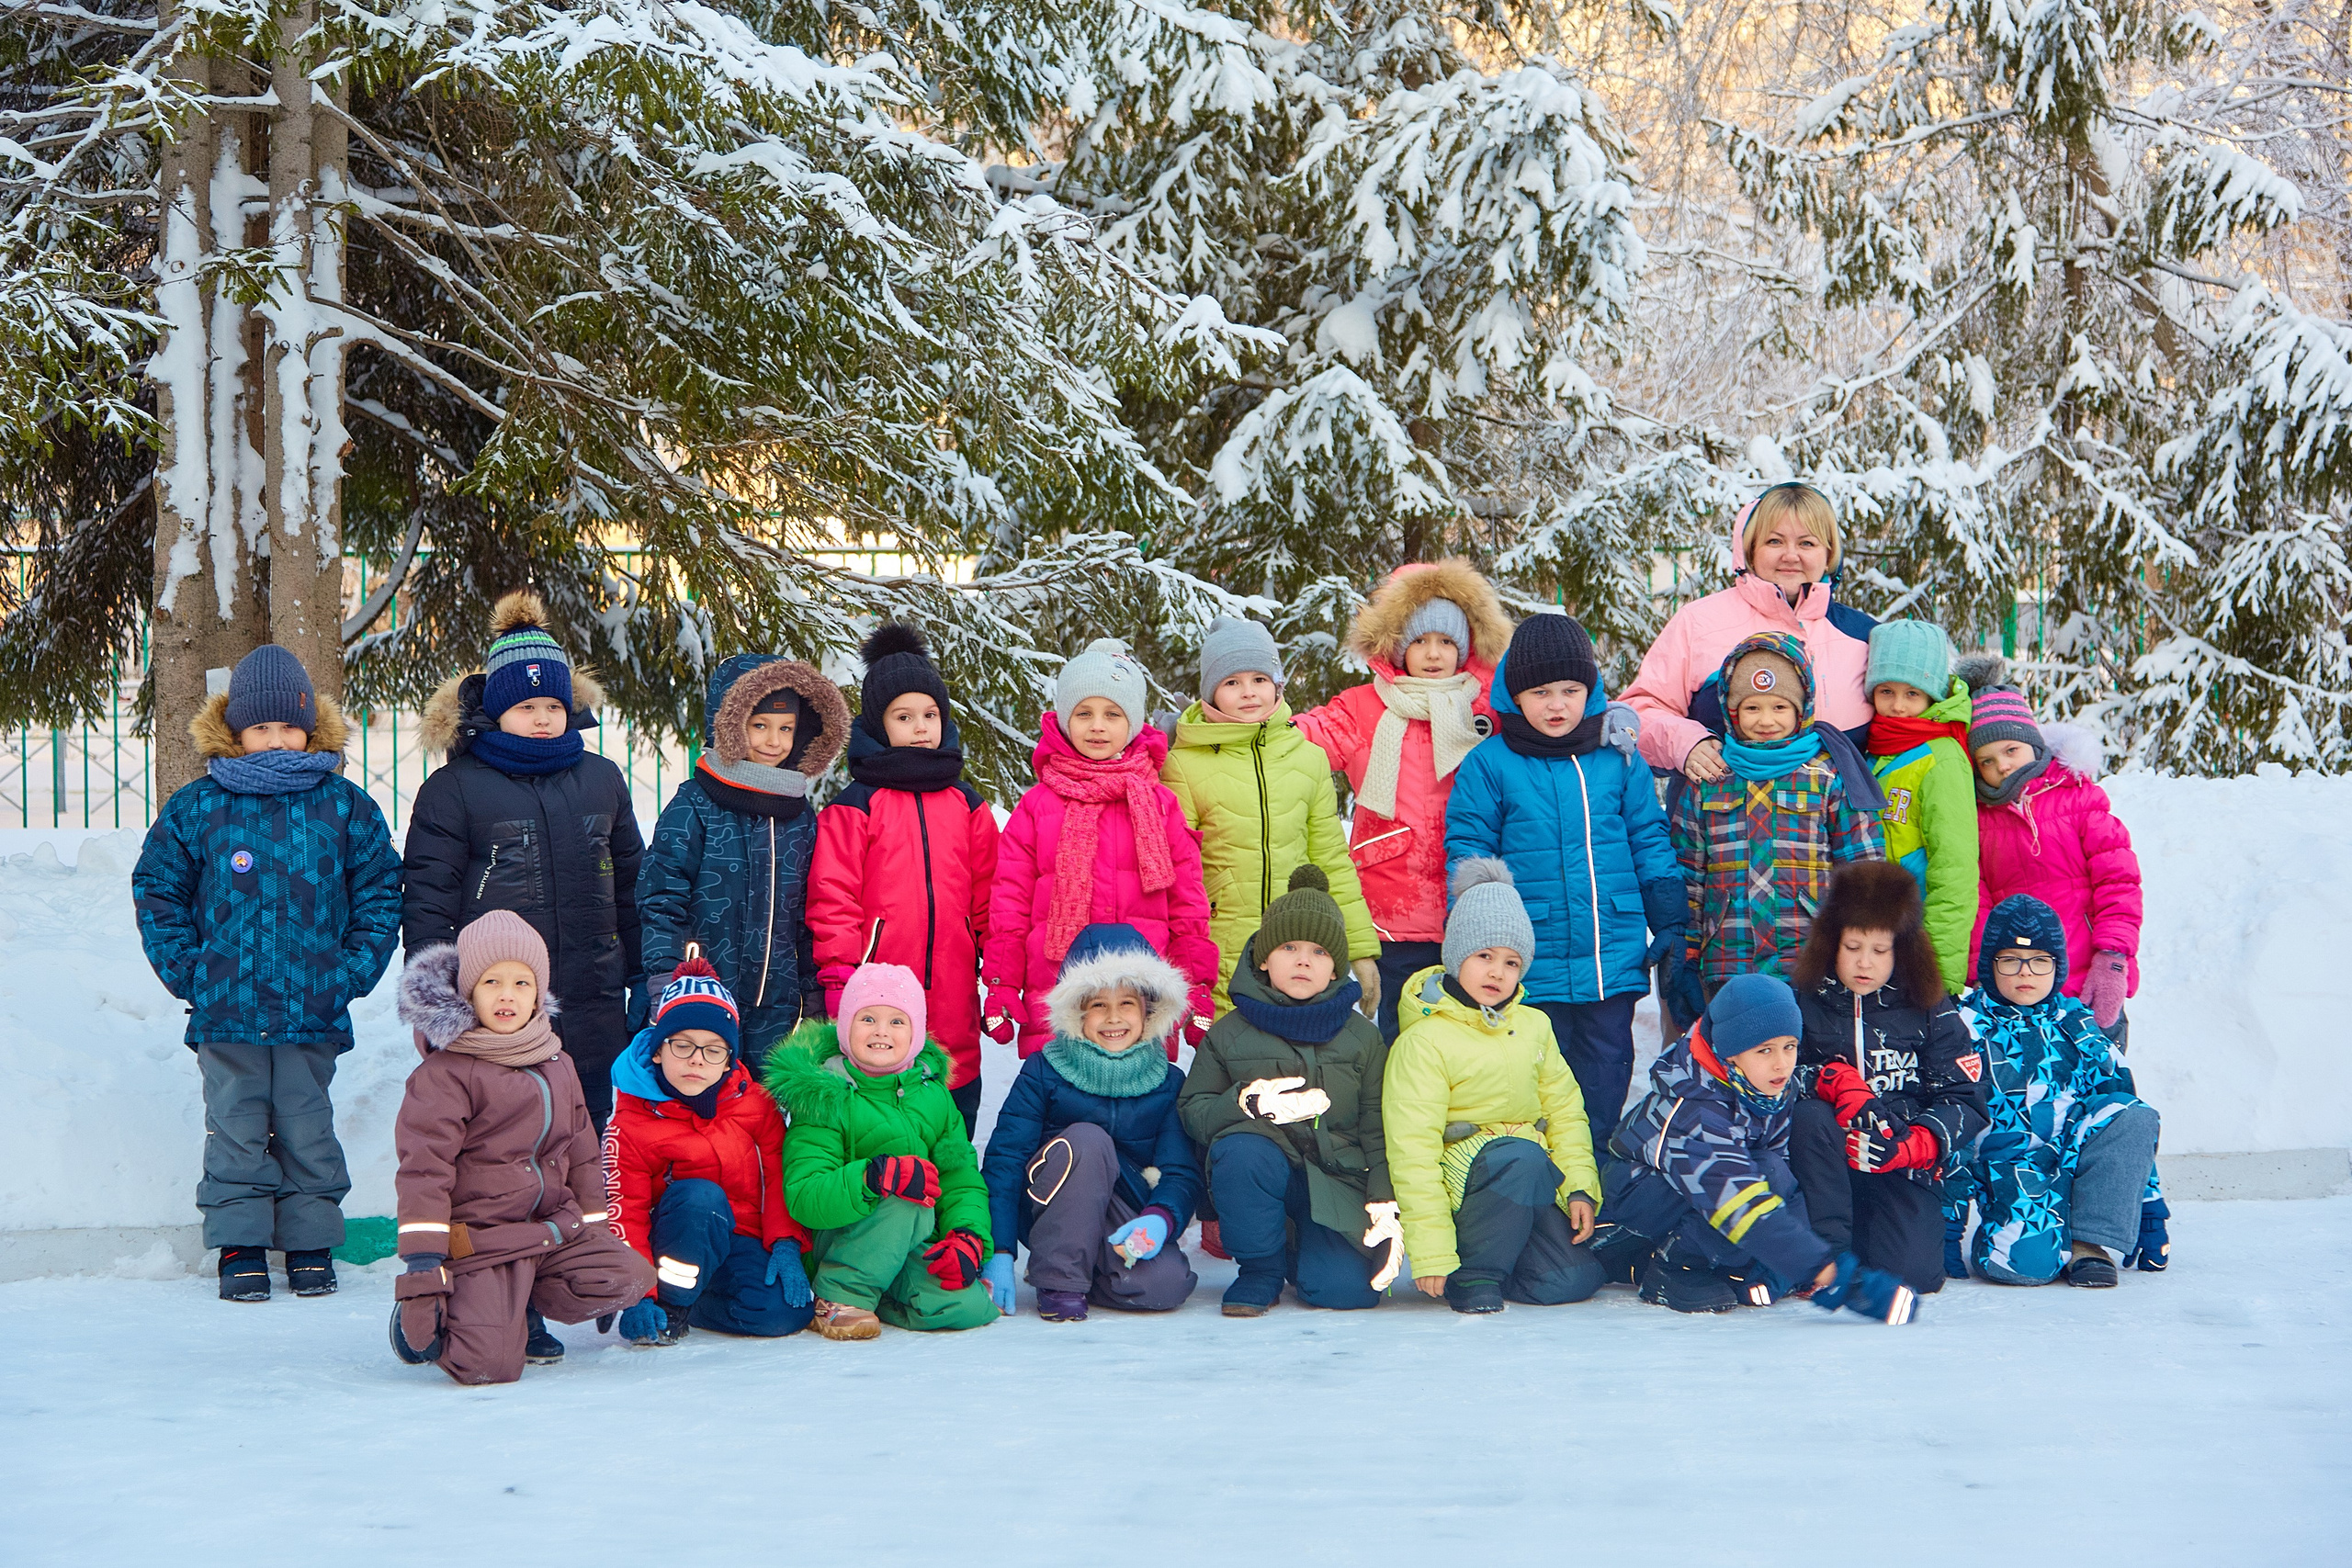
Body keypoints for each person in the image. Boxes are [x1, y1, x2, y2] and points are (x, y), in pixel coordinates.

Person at [132, 644, 403, 1303]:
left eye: (289, 727)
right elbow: (159, 887)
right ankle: (241, 1243)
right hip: (228, 1006)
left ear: (310, 728)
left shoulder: (344, 806)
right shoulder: (200, 806)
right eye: (262, 728)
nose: (276, 740)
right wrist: (191, 971)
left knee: (308, 1122)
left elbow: (379, 891)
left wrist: (351, 969)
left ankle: (310, 1241)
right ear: (236, 730)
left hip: (314, 1003)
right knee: (236, 1123)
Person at [405, 591, 645, 1127]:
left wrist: (648, 977)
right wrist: (434, 1001)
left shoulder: (601, 778)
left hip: (596, 995)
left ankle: (596, 1212)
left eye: (554, 707)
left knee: (596, 1120)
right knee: (508, 1127)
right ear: (496, 712)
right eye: (526, 707)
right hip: (501, 1002)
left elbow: (632, 882)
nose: (542, 719)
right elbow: (428, 896)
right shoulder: (455, 789)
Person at [390, 911, 655, 1383]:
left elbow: (582, 1152)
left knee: (630, 1275)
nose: (507, 994)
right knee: (487, 1367)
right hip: (482, 1243)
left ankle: (522, 1299)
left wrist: (596, 1232)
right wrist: (422, 1273)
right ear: (469, 990)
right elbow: (424, 1171)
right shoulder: (445, 1074)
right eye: (491, 981)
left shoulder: (556, 1060)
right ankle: (467, 1306)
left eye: (522, 982)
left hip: (550, 1232)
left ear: (539, 993)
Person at [1443, 612, 1682, 1135]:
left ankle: (1592, 1179)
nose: (1557, 705)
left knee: (1605, 1074)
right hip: (1531, 957)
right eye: (1541, 692)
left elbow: (1647, 836)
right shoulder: (1492, 763)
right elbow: (1469, 848)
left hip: (1608, 955)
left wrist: (1669, 914)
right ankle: (1541, 1183)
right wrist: (1477, 931)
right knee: (1533, 1078)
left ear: (1590, 690)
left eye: (1570, 690)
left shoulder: (1616, 757)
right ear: (1516, 695)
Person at [1601, 974, 1919, 1323]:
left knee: (1769, 1170)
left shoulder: (1769, 1087)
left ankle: (1710, 1259)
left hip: (1704, 1195)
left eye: (1789, 1046)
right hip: (1631, 1212)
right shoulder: (1695, 1113)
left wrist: (1786, 1271)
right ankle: (1671, 1267)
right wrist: (1839, 1278)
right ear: (1731, 1055)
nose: (1781, 1063)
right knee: (1751, 1184)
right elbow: (1740, 1203)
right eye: (1764, 1050)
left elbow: (1781, 1180)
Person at [1291, 559, 1513, 1041]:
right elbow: (1306, 737)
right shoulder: (1362, 707)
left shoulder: (1492, 706)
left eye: (1447, 641)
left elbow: (1549, 720)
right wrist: (1250, 724)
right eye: (1418, 641)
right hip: (1390, 904)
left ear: (1468, 645)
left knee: (1471, 1036)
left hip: (1471, 902)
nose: (1433, 654)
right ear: (1395, 644)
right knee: (1400, 1033)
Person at [1383, 860, 1605, 1314]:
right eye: (1484, 956)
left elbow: (1565, 1112)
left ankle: (1503, 1259)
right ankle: (1472, 1273)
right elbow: (1413, 1149)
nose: (1497, 973)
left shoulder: (1535, 1026)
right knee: (1520, 1156)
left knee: (1571, 1279)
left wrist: (1580, 1189)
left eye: (1511, 962)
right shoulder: (1423, 1040)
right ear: (1456, 953)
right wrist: (1434, 1250)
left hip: (1525, 1175)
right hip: (1463, 1184)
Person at [983, 637, 1217, 1057]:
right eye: (1084, 713)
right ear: (1063, 720)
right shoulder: (1038, 806)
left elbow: (1188, 904)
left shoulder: (1160, 804)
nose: (1097, 726)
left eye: (1113, 714)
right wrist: (1000, 982)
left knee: (1139, 1113)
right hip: (1059, 991)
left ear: (1132, 723)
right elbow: (1009, 905)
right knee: (1059, 1114)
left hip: (1140, 1000)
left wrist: (1197, 984)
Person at [807, 622, 999, 1134]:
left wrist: (996, 968)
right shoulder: (857, 806)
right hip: (877, 990)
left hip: (954, 986)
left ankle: (950, 1199)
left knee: (952, 1098)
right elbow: (833, 897)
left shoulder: (967, 805)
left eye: (930, 715)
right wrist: (840, 974)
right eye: (904, 716)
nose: (921, 727)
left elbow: (989, 898)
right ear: (878, 725)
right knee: (882, 1108)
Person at [1180, 867, 1393, 1316]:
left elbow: (1378, 1126)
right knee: (1241, 1152)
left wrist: (1384, 1200)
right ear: (1262, 958)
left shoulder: (1362, 1038)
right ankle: (1261, 1267)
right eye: (1289, 947)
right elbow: (1193, 1112)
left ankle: (1305, 1247)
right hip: (1258, 1171)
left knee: (1345, 1292)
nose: (1303, 960)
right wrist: (1246, 1102)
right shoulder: (1230, 1033)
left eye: (1318, 951)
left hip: (1336, 1179)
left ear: (1336, 965)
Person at [636, 653, 849, 1071]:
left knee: (767, 1114)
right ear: (731, 725)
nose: (774, 741)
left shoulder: (799, 813)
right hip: (703, 992)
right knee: (707, 1105)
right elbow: (660, 899)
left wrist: (815, 991)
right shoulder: (696, 804)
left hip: (779, 1003)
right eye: (760, 726)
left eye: (786, 729)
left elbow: (810, 912)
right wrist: (666, 976)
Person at [763, 963, 1000, 1338]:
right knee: (909, 1196)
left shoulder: (933, 1095)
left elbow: (960, 1177)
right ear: (846, 1027)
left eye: (897, 1022)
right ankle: (837, 1295)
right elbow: (804, 1195)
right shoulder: (825, 1095)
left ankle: (875, 1294)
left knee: (968, 1307)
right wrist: (872, 1177)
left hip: (908, 1239)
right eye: (868, 1018)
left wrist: (968, 1236)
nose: (881, 1032)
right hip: (842, 1240)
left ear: (916, 1031)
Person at [980, 924, 1203, 1322]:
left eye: (1127, 1004)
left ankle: (1083, 1270)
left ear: (1149, 1010)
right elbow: (1006, 1159)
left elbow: (1180, 1171)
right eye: (1098, 1004)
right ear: (1076, 1011)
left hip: (1122, 1211)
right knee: (1088, 1139)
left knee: (1165, 1286)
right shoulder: (1044, 1071)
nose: (1113, 1018)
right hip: (1054, 1204)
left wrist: (1161, 1217)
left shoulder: (1168, 1082)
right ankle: (1059, 1281)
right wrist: (998, 1249)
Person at [1786, 861, 1988, 1295]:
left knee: (1913, 1277)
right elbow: (1768, 1079)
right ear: (1831, 944)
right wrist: (1829, 1079)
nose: (1864, 962)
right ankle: (1827, 1257)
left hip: (1897, 1160)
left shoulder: (1929, 1006)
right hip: (1822, 1166)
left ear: (1902, 948)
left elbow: (1966, 1097)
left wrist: (1916, 1145)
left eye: (1880, 950)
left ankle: (1865, 1240)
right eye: (1853, 946)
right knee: (1810, 1117)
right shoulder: (1802, 1002)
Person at [1162, 615, 1378, 1020]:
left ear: (1277, 684)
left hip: (1298, 949)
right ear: (1211, 693)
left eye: (1259, 679)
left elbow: (1331, 860)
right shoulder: (1183, 764)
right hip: (1223, 948)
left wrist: (1360, 948)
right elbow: (1180, 871)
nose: (1248, 693)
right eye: (1232, 683)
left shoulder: (1308, 759)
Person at [1951, 896, 2165, 1287]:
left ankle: (2086, 1242)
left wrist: (2148, 1203)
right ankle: (2046, 1233)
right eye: (2010, 960)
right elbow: (1952, 1120)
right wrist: (1947, 1222)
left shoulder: (2075, 1022)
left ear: (2057, 965)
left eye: (2039, 961)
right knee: (2024, 1267)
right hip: (2010, 1169)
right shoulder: (1964, 1027)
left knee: (2131, 1111)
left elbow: (2125, 1113)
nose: (2025, 972)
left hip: (2073, 1156)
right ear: (1989, 964)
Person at [1668, 631, 1883, 1020]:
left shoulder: (1827, 775)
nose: (1766, 721)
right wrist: (1686, 949)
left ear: (1801, 709)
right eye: (1752, 708)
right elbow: (1688, 872)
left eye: (1779, 707)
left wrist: (1861, 947)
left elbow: (1862, 866)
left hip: (1811, 957)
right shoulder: (1712, 777)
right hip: (1730, 958)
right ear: (1732, 712)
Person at [604, 956, 814, 1345]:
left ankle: (697, 1304)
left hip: (739, 1237)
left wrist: (785, 1243)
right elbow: (625, 1210)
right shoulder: (630, 1119)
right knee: (700, 1196)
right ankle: (671, 1303)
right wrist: (636, 1294)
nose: (697, 1059)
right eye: (682, 1045)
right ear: (657, 1050)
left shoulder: (755, 1103)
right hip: (673, 1242)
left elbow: (777, 1177)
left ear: (728, 1061)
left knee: (783, 1313)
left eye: (714, 1050)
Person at [1623, 482, 1877, 785]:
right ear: (1750, 550)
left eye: (1807, 543)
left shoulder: (1864, 636)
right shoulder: (1699, 622)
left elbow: (1909, 719)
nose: (1791, 555)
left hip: (1838, 828)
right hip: (1718, 822)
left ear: (1829, 553)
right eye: (1774, 541)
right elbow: (1640, 712)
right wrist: (1686, 743)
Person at [1956, 656, 2143, 1044]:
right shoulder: (1978, 819)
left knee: (2100, 1084)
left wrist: (2113, 959)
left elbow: (2119, 884)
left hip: (2085, 979)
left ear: (2032, 743)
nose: (2002, 766)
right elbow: (1978, 901)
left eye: (2011, 750)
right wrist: (1982, 975)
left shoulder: (2080, 799)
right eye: (1987, 761)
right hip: (2020, 986)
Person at [1863, 621, 1978, 991]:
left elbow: (1954, 869)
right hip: (1871, 942)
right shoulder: (1875, 748)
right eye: (1886, 691)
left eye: (1913, 693)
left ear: (1933, 695)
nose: (1898, 706)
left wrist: (1936, 974)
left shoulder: (1941, 757)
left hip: (1915, 944)